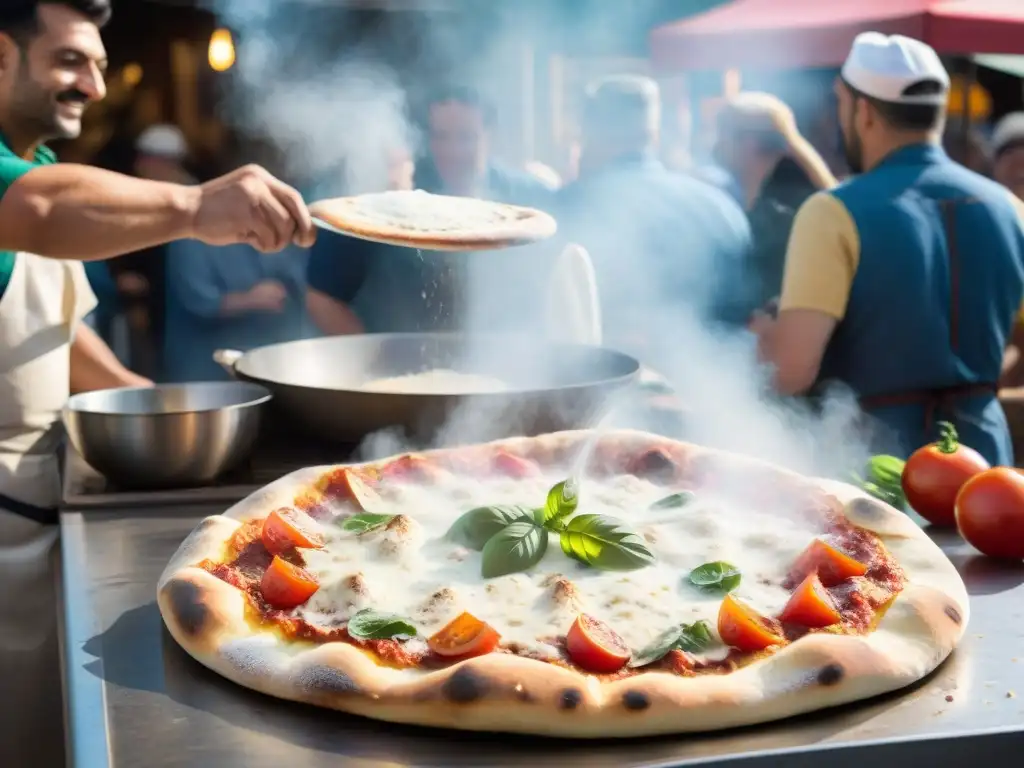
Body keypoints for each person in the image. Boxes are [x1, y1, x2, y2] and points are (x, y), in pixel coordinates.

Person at [0, 3, 314, 766]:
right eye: (72, 60)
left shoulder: (38, 168)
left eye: (100, 65)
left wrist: (153, 400)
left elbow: (52, 329)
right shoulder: (35, 192)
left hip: (44, 509)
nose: (94, 85)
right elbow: (36, 213)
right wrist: (197, 205)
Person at [751, 32, 1024, 466]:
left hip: (879, 466)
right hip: (984, 465)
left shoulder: (832, 211)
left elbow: (790, 372)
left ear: (863, 111)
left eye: (840, 104)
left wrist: (766, 336)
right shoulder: (1009, 208)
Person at [555, 75, 753, 365]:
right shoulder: (722, 208)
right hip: (719, 399)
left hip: (618, 400)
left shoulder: (568, 209)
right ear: (653, 135)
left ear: (589, 133)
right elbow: (745, 325)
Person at [712, 92, 836, 312]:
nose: (716, 144)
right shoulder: (743, 200)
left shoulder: (783, 218)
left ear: (748, 143)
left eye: (723, 134)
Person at [164, 240, 312, 381]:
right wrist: (250, 300)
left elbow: (305, 284)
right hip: (205, 368)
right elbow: (196, 299)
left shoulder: (281, 226)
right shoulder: (191, 238)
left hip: (276, 361)